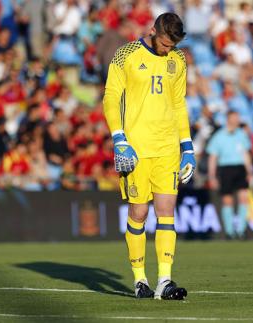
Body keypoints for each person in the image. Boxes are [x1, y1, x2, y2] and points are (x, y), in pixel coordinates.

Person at [103, 12, 195, 300]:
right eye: (165, 43)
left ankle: (164, 281)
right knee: (139, 212)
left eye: (172, 45)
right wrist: (119, 139)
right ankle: (140, 280)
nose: (167, 50)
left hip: (167, 148)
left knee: (166, 212)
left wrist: (187, 147)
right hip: (136, 148)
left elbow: (178, 104)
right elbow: (110, 97)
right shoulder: (126, 54)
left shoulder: (178, 60)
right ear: (153, 30)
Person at [206, 111, 253, 240]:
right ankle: (229, 232)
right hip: (225, 168)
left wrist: (249, 171)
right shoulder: (219, 136)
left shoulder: (241, 134)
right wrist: (212, 176)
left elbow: (245, 154)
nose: (237, 120)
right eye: (235, 117)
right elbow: (213, 157)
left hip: (240, 168)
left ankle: (241, 230)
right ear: (228, 119)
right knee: (227, 200)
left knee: (244, 197)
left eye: (238, 117)